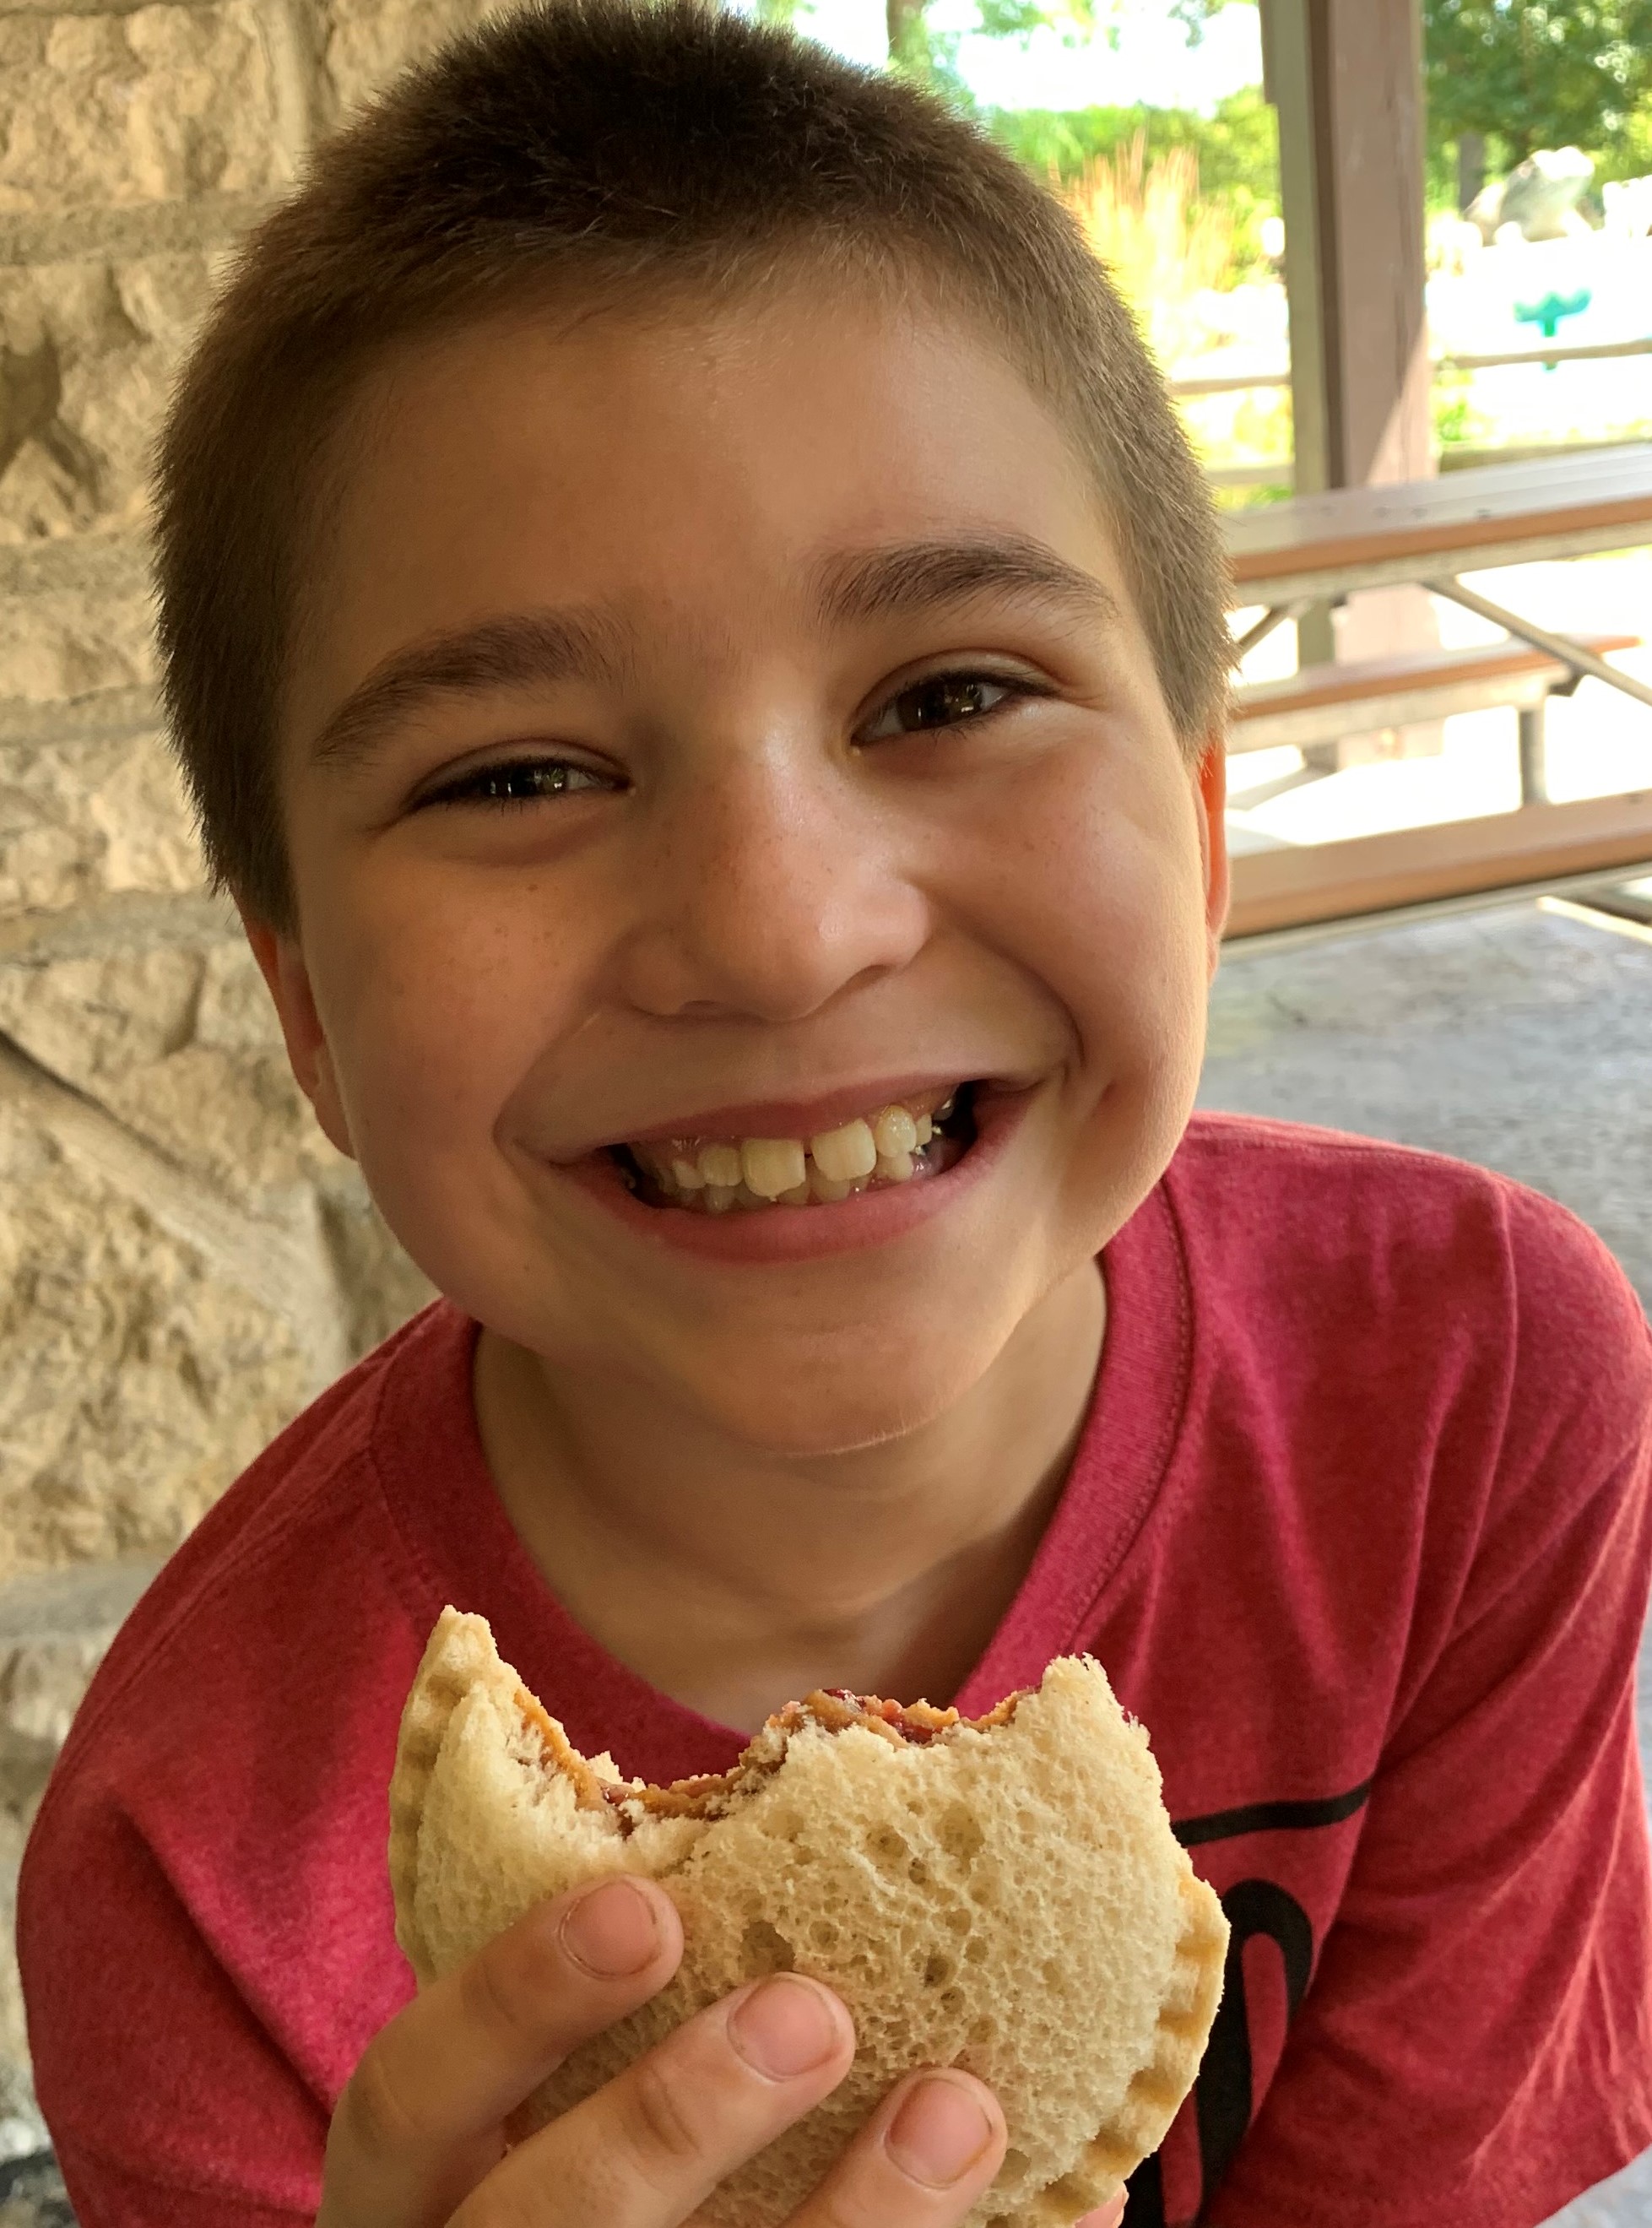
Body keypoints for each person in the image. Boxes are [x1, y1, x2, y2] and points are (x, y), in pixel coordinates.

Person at [15, 3, 1652, 2223]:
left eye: (950, 694)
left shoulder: (1470, 1381)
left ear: (1196, 830)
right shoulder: (197, 1868)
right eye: (518, 774)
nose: (780, 932)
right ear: (304, 1007)